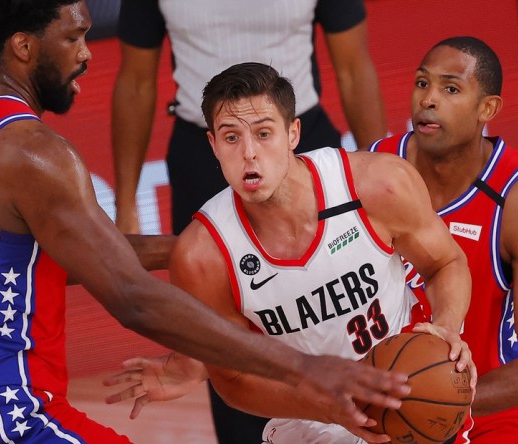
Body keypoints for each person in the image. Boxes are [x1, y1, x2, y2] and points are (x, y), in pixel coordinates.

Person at [0, 2, 413, 442]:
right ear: (24, 47)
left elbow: (70, 256)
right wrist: (306, 368)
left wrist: (211, 248)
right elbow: (132, 296)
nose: (86, 53)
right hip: (1, 412)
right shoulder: (34, 154)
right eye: (73, 37)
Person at [105, 62, 475, 444]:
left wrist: (446, 327)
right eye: (231, 138)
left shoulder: (379, 185)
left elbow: (446, 263)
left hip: (411, 388)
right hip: (309, 418)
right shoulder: (202, 255)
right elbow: (233, 380)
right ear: (213, 145)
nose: (249, 153)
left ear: (292, 133)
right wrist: (328, 406)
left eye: (264, 134)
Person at [112, 3, 386, 438]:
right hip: (205, 158)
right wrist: (125, 203)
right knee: (223, 338)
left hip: (299, 142)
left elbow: (354, 67)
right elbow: (136, 81)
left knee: (339, 309)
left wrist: (379, 170)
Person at [367, 36, 518, 443]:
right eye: (422, 83)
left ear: (488, 109)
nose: (428, 100)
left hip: (494, 413)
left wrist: (438, 398)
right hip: (387, 404)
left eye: (450, 88)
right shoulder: (374, 170)